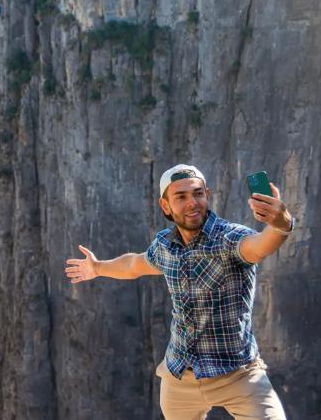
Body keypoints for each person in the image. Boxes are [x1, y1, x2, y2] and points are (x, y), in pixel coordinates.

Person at [64, 164, 293, 420]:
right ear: (165, 206)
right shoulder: (165, 246)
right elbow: (133, 264)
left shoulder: (230, 238)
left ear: (207, 194)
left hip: (238, 374)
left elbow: (260, 246)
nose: (192, 203)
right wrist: (97, 267)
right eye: (181, 197)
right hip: (179, 376)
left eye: (197, 194)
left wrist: (281, 223)